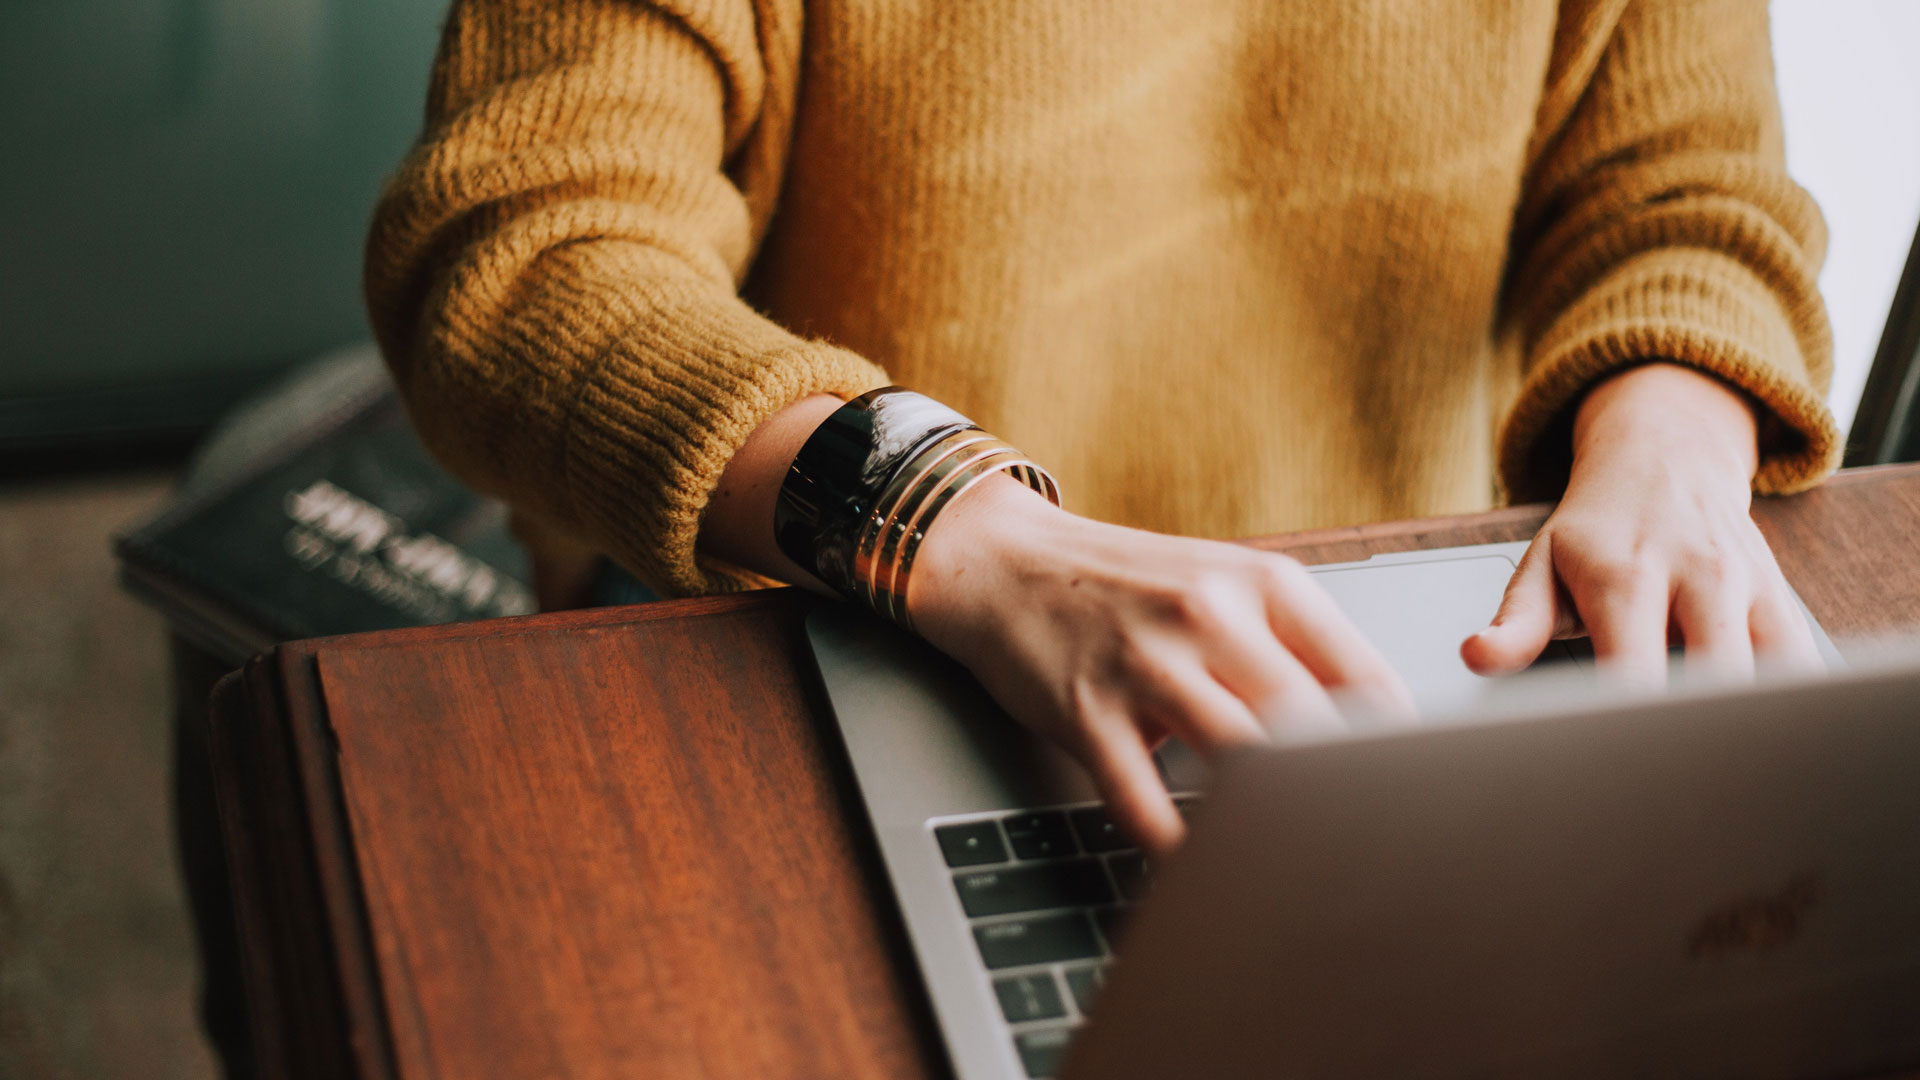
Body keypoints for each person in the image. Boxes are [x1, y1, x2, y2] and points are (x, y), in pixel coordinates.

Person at [365, 0, 1837, 856]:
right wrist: (958, 524)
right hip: (826, 629)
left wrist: (1675, 438)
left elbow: (1685, 193)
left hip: (1375, 671)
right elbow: (522, 251)